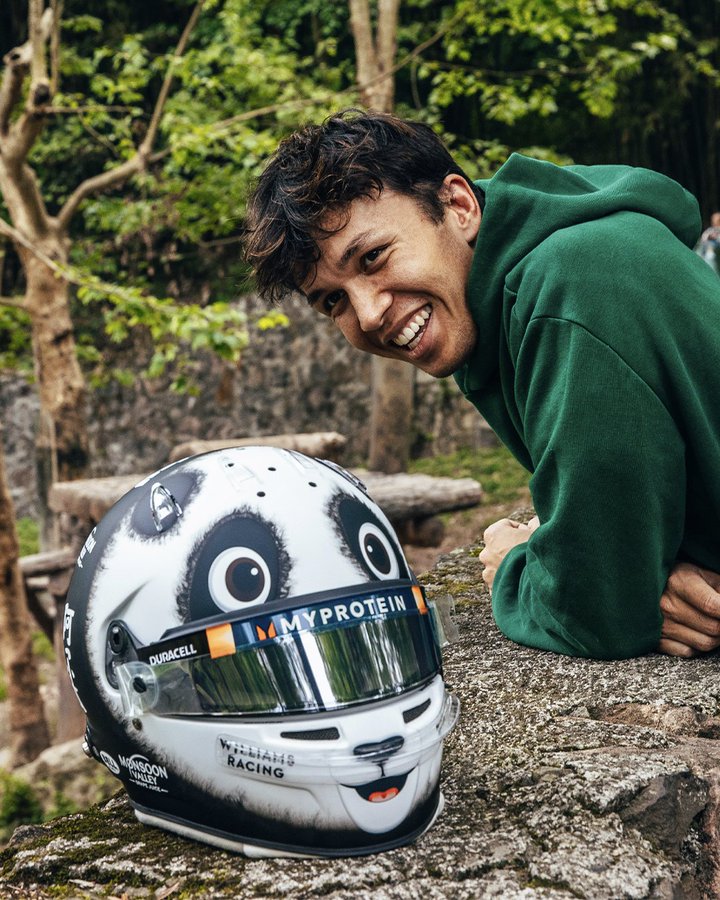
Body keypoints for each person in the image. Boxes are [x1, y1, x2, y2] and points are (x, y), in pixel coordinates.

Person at [243, 109, 720, 661]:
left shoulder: (569, 289)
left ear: (459, 206)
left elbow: (596, 608)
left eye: (373, 256)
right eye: (334, 301)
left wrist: (515, 562)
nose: (368, 314)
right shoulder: (499, 298)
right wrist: (628, 574)